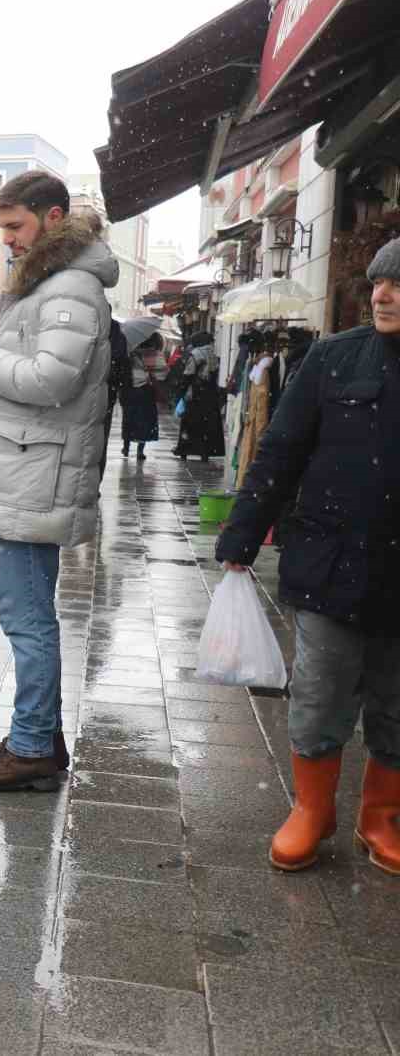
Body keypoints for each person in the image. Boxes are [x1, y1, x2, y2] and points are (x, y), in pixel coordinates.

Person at [216, 237, 400, 873]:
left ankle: (381, 817)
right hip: (331, 561)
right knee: (320, 693)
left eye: (398, 284)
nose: (383, 294)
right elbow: (281, 450)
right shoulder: (332, 358)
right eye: (379, 282)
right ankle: (311, 811)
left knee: (397, 701)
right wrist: (242, 535)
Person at [0, 170, 118, 791]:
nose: (7, 240)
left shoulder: (68, 289)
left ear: (54, 218)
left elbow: (50, 380)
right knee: (29, 612)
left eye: (14, 227)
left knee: (27, 617)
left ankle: (34, 744)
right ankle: (37, 733)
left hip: (33, 475)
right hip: (27, 469)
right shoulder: (55, 285)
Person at [171, 331, 225, 461]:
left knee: (189, 423)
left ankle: (185, 449)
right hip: (209, 395)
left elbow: (188, 374)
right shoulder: (213, 355)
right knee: (206, 425)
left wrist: (181, 391)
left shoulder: (195, 354)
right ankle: (205, 451)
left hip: (195, 394)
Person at [119, 325, 160, 460]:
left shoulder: (128, 352)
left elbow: (122, 369)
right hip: (145, 391)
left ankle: (126, 447)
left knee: (129, 419)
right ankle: (140, 451)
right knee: (144, 421)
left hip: (130, 390)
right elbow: (160, 373)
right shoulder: (151, 354)